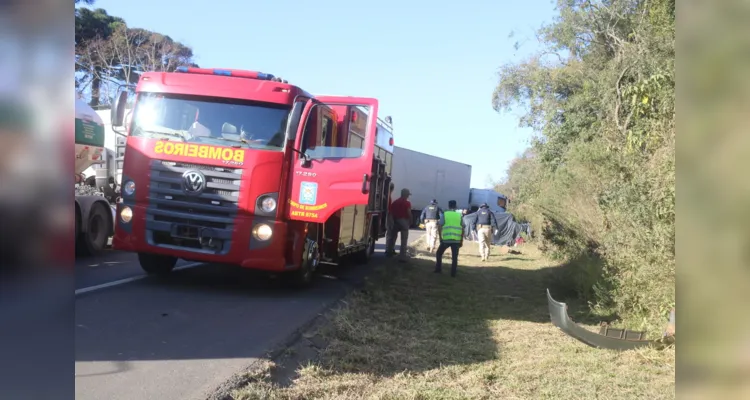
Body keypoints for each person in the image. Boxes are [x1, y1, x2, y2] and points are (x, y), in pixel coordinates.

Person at [434, 200, 464, 277]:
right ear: (456, 206)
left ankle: (438, 269)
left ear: (448, 206)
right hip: (456, 240)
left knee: (439, 253)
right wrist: (461, 240)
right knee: (454, 257)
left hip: (446, 239)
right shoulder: (459, 215)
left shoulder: (445, 214)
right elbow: (463, 227)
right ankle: (453, 274)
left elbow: (440, 226)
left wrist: (440, 237)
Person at [386, 188, 412, 260]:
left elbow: (390, 213)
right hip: (403, 221)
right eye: (408, 195)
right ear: (406, 195)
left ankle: (389, 252)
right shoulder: (407, 203)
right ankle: (402, 256)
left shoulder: (395, 202)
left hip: (395, 221)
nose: (408, 196)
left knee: (392, 237)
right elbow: (408, 212)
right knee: (404, 239)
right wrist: (411, 221)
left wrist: (391, 222)